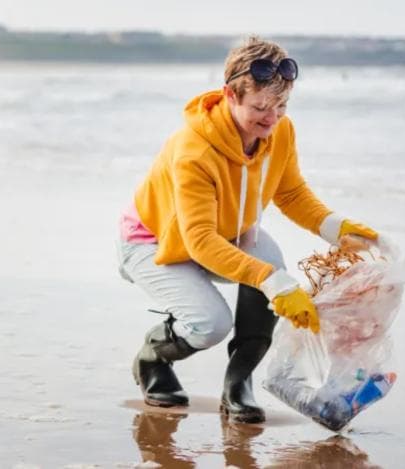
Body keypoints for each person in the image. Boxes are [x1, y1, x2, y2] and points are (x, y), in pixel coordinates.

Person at [116, 36, 378, 424]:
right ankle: (152, 360)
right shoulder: (193, 150)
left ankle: (238, 384)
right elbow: (199, 241)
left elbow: (289, 191)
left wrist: (335, 228)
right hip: (152, 242)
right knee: (211, 324)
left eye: (281, 106)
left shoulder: (279, 130)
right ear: (230, 95)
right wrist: (275, 284)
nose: (272, 118)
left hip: (224, 234)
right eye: (260, 107)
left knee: (272, 263)